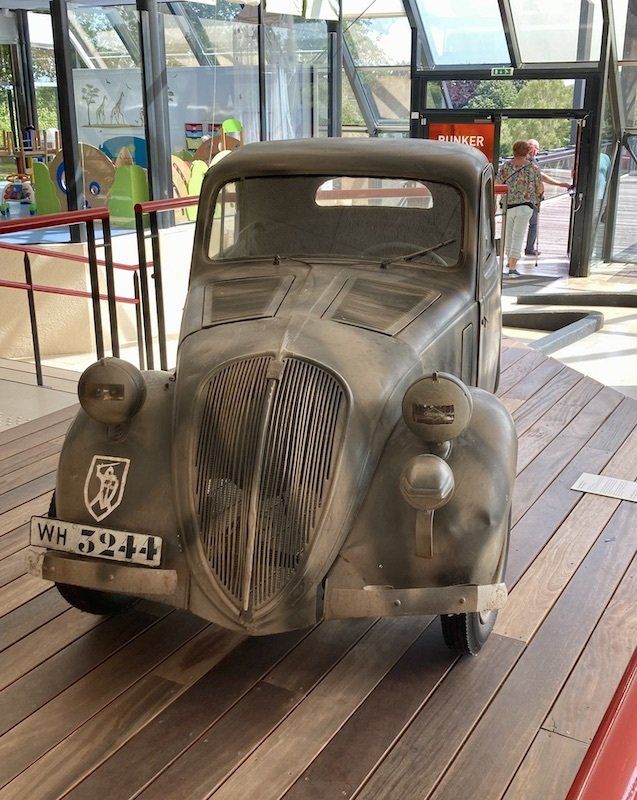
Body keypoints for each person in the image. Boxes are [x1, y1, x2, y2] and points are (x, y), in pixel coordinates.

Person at [496, 140, 544, 278]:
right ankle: (512, 268)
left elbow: (497, 184)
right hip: (525, 206)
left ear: (514, 150)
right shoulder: (533, 168)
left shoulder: (506, 166)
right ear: (527, 151)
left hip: (508, 205)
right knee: (518, 235)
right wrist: (538, 197)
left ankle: (508, 261)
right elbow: (540, 187)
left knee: (508, 234)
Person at [525, 138, 571, 256]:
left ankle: (523, 249)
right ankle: (529, 248)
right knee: (533, 224)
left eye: (537, 149)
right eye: (535, 148)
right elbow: (541, 178)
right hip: (531, 198)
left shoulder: (524, 160)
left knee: (524, 224)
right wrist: (560, 184)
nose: (536, 151)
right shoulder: (530, 162)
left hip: (520, 198)